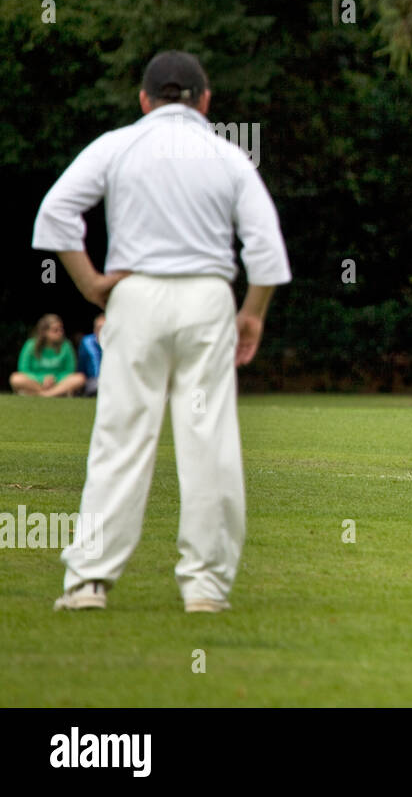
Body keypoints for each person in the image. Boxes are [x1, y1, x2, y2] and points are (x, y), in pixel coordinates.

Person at [32, 50, 292, 612]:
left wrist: (92, 285)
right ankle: (204, 587)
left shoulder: (117, 144)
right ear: (204, 101)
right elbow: (267, 251)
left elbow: (54, 212)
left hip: (135, 298)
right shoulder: (228, 155)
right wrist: (253, 314)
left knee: (120, 437)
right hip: (207, 299)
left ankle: (88, 584)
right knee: (209, 440)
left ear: (145, 100)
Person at [10, 314, 86, 397]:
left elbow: (70, 370)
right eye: (55, 330)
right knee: (15, 378)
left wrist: (54, 379)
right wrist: (42, 379)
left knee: (80, 378)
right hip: (36, 382)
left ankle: (43, 394)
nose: (60, 332)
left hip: (58, 382)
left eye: (61, 329)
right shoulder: (30, 345)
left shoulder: (66, 345)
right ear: (44, 332)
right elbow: (24, 369)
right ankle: (54, 393)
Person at [77, 313, 106, 397]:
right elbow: (82, 366)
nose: (101, 331)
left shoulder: (115, 343)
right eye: (99, 328)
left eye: (104, 328)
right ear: (94, 329)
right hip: (92, 380)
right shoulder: (87, 342)